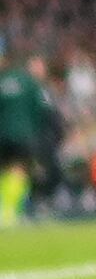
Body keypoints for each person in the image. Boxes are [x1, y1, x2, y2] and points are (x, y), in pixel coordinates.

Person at [0, 52, 51, 227]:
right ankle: (9, 210)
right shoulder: (30, 83)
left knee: (5, 170)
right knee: (19, 170)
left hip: (3, 134)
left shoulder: (2, 80)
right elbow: (41, 110)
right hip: (24, 134)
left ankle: (5, 207)